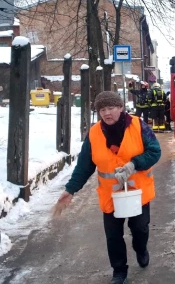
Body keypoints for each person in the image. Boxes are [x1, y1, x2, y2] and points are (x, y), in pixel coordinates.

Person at [53, 91, 161, 284]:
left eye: (111, 108)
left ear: (120, 107)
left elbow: (155, 151)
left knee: (140, 230)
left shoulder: (138, 126)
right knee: (113, 236)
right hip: (110, 196)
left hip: (138, 193)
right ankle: (119, 271)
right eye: (102, 109)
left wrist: (134, 163)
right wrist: (70, 190)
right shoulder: (94, 133)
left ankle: (141, 249)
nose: (107, 113)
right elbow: (84, 166)